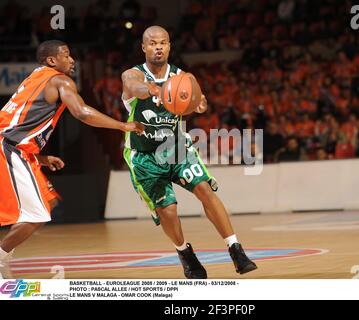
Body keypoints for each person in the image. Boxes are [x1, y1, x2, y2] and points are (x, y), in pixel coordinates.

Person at [121, 26, 257, 279]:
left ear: (170, 46)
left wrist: (199, 104)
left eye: (163, 43)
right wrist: (154, 90)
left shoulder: (183, 77)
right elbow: (135, 88)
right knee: (168, 210)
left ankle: (235, 248)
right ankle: (185, 253)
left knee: (204, 189)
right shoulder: (132, 75)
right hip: (144, 156)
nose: (158, 47)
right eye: (152, 43)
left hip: (175, 148)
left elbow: (198, 103)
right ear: (144, 47)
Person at [0, 40, 144, 278]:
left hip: (18, 150)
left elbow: (21, 121)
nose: (72, 60)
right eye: (66, 55)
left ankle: (4, 258)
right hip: (9, 149)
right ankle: (2, 257)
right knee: (37, 214)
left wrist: (42, 158)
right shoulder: (59, 80)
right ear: (51, 61)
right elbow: (82, 112)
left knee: (46, 204)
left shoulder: (35, 77)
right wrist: (122, 125)